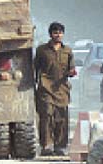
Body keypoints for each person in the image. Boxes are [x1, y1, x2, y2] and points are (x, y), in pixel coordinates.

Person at [33, 21, 76, 156]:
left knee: (61, 118)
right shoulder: (42, 50)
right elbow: (35, 68)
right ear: (50, 34)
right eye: (55, 32)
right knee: (46, 115)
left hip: (62, 89)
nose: (58, 35)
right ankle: (46, 145)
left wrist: (72, 72)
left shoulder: (68, 51)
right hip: (45, 88)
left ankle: (60, 146)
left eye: (60, 32)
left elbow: (72, 68)